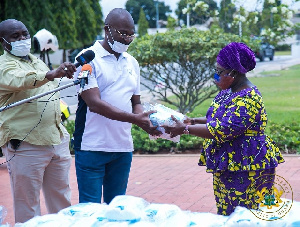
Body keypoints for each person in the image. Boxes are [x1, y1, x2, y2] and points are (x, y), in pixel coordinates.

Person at [163, 42, 284, 216]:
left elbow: (224, 128)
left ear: (233, 73)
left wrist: (185, 130)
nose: (215, 76)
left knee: (245, 216)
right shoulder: (228, 92)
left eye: (219, 72)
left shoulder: (249, 98)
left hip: (247, 166)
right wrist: (191, 121)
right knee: (227, 212)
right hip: (229, 164)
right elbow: (218, 117)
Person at [73, 8, 160, 205]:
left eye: (131, 34)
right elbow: (94, 104)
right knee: (90, 210)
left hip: (122, 148)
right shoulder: (88, 59)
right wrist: (135, 119)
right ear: (107, 30)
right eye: (123, 33)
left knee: (117, 208)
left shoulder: (132, 62)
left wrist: (144, 118)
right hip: (91, 146)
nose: (128, 38)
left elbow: (135, 102)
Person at [0, 19, 77, 223]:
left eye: (25, 34)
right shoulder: (4, 65)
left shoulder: (36, 60)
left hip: (55, 139)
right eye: (15, 37)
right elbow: (22, 80)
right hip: (26, 145)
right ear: (3, 42)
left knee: (61, 202)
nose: (23, 39)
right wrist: (51, 73)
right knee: (28, 207)